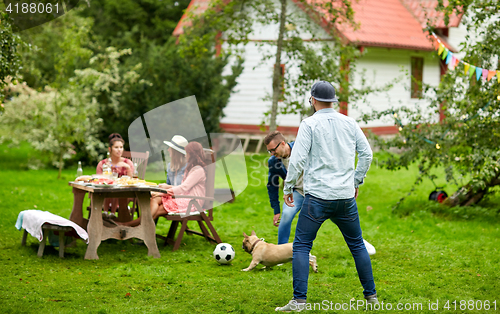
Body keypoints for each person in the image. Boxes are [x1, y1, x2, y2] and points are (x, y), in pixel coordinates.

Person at [276, 81, 378, 312]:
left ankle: (299, 301)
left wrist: (288, 187)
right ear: (333, 101)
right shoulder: (349, 122)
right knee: (357, 246)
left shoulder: (309, 124)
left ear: (312, 100)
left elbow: (298, 160)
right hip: (345, 198)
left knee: (301, 246)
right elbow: (367, 155)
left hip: (318, 198)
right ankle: (371, 297)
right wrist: (355, 181)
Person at [118, 142, 206, 227]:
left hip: (192, 202)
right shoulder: (190, 168)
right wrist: (164, 190)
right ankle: (134, 227)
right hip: (185, 198)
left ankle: (130, 226)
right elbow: (184, 187)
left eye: (187, 153)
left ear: (192, 154)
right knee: (155, 198)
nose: (185, 155)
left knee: (156, 211)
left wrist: (162, 192)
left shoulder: (197, 170)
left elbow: (183, 188)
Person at [265, 131, 304, 245]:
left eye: (273, 150)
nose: (272, 153)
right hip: (297, 192)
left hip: (315, 191)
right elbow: (272, 185)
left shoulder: (301, 148)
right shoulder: (274, 161)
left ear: (282, 143)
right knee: (286, 215)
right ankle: (280, 251)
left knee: (337, 214)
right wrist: (276, 210)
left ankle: (356, 241)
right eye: (269, 151)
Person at [96, 133, 135, 215]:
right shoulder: (103, 164)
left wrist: (128, 168)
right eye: (116, 147)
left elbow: (132, 181)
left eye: (121, 147)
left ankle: (112, 214)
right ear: (110, 149)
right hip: (105, 196)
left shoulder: (127, 163)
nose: (119, 150)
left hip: (123, 196)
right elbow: (98, 181)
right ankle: (106, 212)